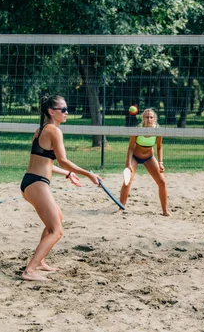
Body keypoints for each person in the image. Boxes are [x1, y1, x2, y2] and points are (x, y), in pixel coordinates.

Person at [20, 94, 101, 282]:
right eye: (63, 109)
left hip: (30, 182)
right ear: (51, 112)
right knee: (57, 230)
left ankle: (39, 262)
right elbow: (63, 160)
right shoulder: (54, 131)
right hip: (37, 184)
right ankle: (29, 270)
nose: (67, 112)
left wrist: (67, 174)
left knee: (57, 219)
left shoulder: (40, 130)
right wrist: (88, 174)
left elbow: (43, 162)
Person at [120, 108, 170, 216]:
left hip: (149, 157)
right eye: (147, 117)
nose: (149, 119)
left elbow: (159, 147)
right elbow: (130, 148)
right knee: (127, 181)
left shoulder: (158, 130)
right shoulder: (138, 129)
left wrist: (161, 162)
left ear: (155, 119)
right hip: (134, 156)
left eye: (151, 117)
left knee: (162, 182)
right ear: (143, 119)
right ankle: (121, 208)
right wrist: (128, 164)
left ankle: (165, 211)